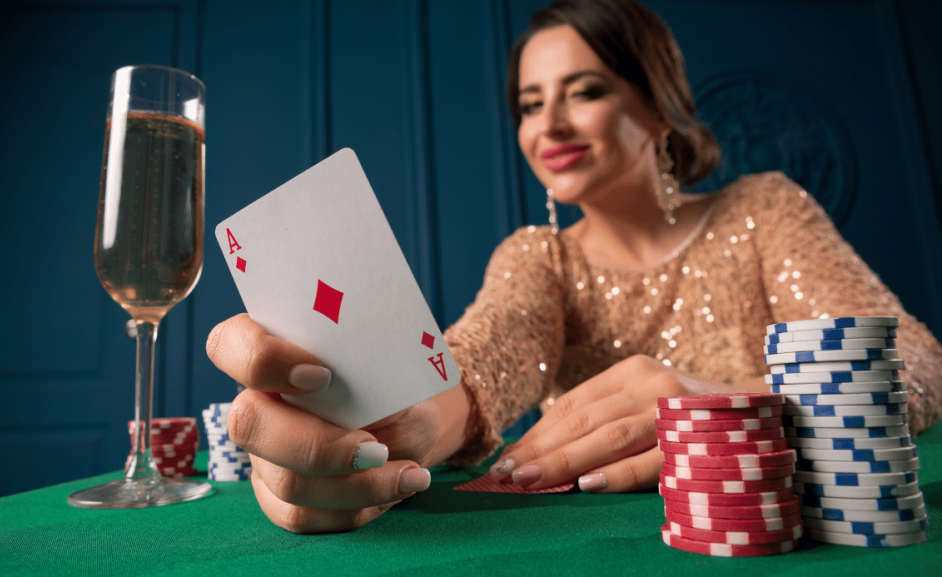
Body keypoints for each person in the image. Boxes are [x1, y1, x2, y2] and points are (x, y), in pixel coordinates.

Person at [206, 0, 942, 533]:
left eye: (584, 91)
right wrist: (397, 430)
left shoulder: (765, 210)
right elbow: (480, 357)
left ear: (657, 108)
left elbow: (911, 361)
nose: (547, 125)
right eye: (529, 104)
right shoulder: (540, 258)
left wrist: (727, 404)